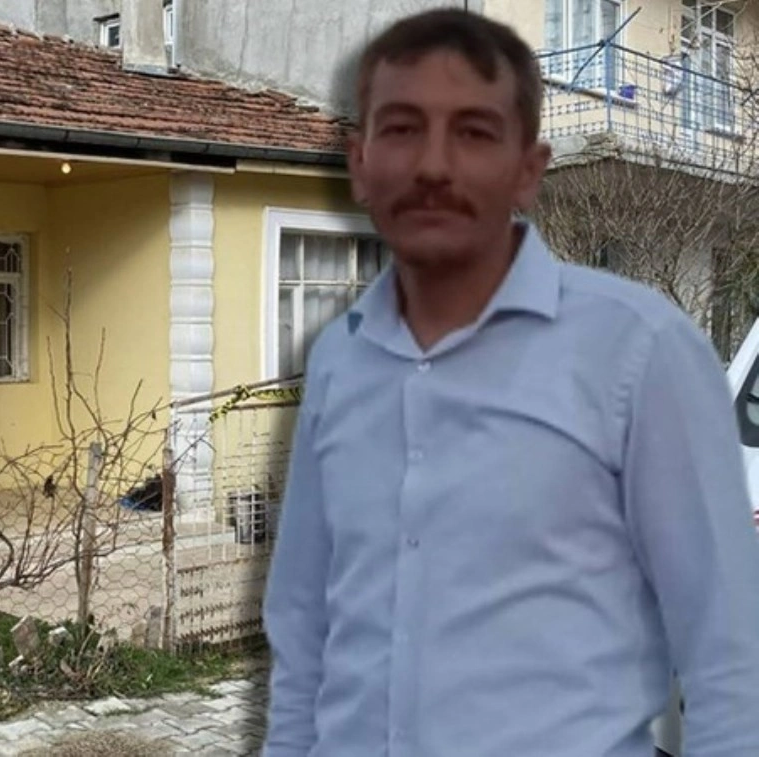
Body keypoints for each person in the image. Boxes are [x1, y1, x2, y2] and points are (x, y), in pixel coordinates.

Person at [261, 8, 759, 756]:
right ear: (359, 163)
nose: (433, 166)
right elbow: (303, 626)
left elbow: (728, 656)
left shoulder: (641, 353)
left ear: (529, 168)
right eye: (401, 128)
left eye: (473, 132)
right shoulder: (339, 360)